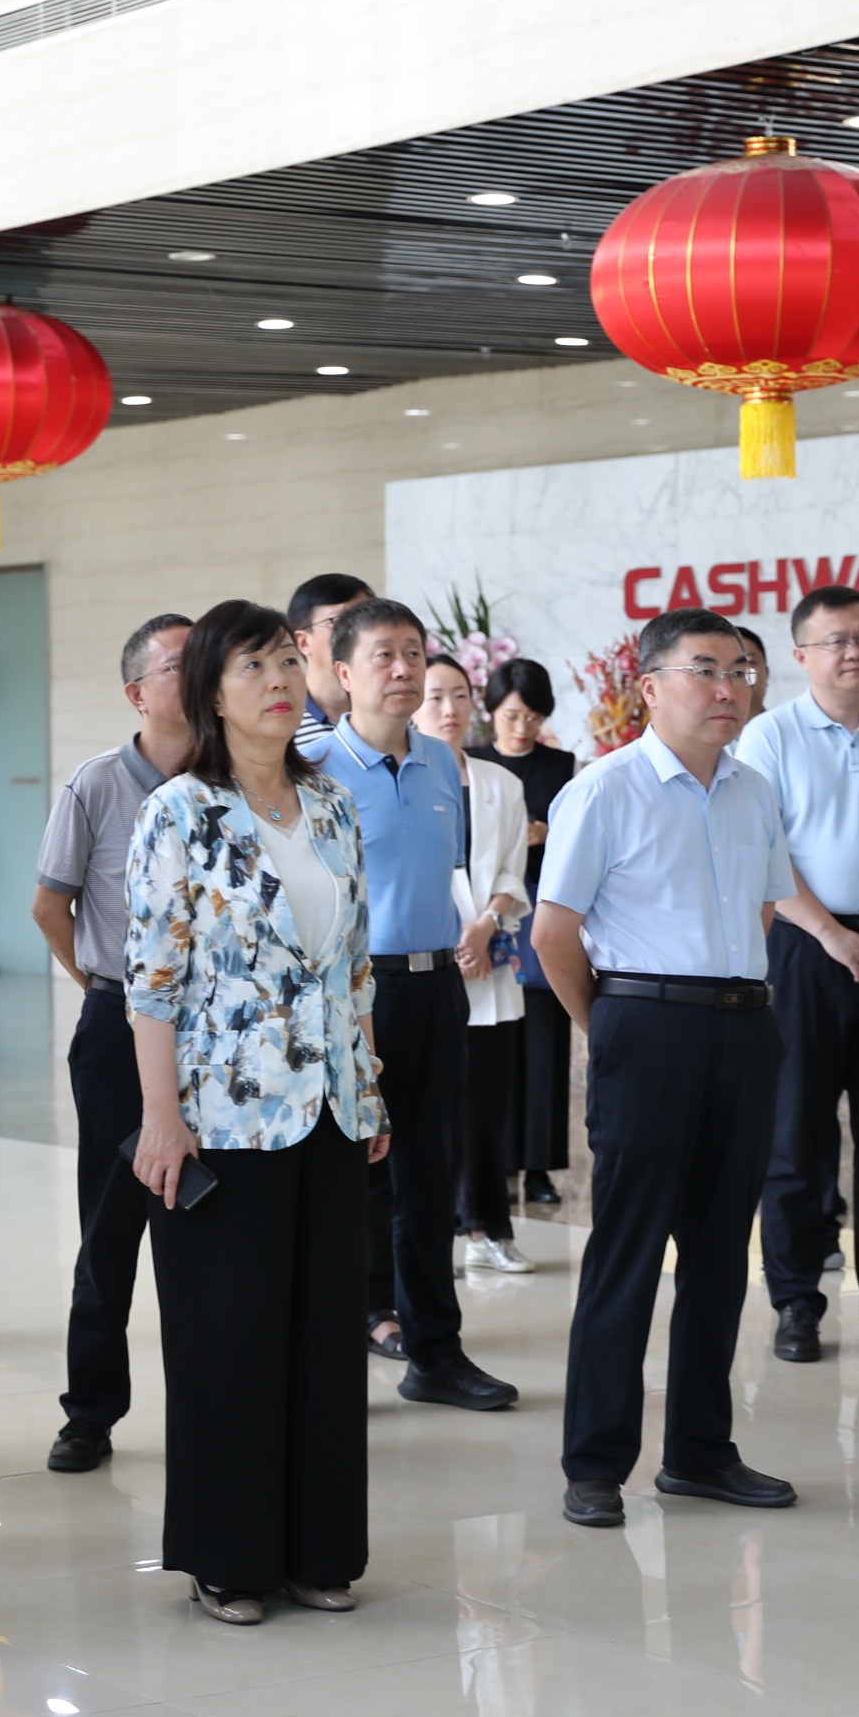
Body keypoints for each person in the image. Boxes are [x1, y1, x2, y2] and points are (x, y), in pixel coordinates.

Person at [125, 599, 388, 1625]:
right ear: (209, 690)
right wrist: (160, 1117)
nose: (278, 680)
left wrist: (369, 1082)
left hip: (331, 1108)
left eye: (286, 660)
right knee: (229, 1342)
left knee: (324, 1339)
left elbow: (352, 964)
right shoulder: (179, 811)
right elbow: (153, 982)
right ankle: (227, 1556)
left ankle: (318, 1548)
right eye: (252, 665)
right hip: (224, 1115)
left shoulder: (332, 804)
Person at [529, 606, 801, 1530]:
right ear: (649, 686)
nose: (729, 688)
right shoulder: (604, 791)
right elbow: (554, 934)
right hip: (645, 1026)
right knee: (630, 1249)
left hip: (745, 1025)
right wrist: (610, 1028)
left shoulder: (755, 792)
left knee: (723, 1253)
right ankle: (596, 1462)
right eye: (705, 670)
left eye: (741, 671)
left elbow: (764, 913)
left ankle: (699, 1452)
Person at [317, 599, 518, 1410]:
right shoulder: (313, 768)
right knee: (347, 1179)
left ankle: (435, 1353)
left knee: (429, 1179)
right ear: (342, 672)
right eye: (383, 655)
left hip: (437, 990)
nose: (403, 669)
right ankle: (334, 1352)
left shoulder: (442, 763)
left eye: (413, 652)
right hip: (354, 993)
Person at [733, 584, 859, 1364]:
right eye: (836, 641)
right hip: (802, 948)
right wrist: (827, 933)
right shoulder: (771, 737)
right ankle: (796, 1300)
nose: (855, 652)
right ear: (801, 655)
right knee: (796, 1134)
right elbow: (764, 850)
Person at [30, 612, 194, 1474]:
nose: (198, 675)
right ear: (138, 692)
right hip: (119, 1027)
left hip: (218, 1035)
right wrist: (102, 988)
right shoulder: (96, 784)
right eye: (178, 665)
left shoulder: (234, 777)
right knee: (112, 1222)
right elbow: (49, 905)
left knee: (208, 1225)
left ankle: (211, 1407)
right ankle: (89, 1414)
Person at [416, 654, 534, 1274]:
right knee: (425, 1115)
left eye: (459, 695)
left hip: (489, 965)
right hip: (422, 965)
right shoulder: (399, 778)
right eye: (435, 696)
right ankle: (427, 1240)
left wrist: (486, 925)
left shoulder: (501, 784)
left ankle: (488, 1228)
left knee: (485, 1109)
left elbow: (513, 872)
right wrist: (450, 937)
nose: (449, 709)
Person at [471, 658, 576, 1211]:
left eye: (533, 717)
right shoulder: (473, 764)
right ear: (492, 712)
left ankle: (539, 1167)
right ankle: (498, 1162)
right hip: (492, 914)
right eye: (512, 715)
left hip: (544, 919)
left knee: (545, 1048)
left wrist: (547, 834)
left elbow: (579, 839)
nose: (522, 727)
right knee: (496, 1048)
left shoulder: (560, 764)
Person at [286, 572, 374, 760]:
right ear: (303, 642)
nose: (358, 632)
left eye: (366, 620)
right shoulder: (282, 722)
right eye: (339, 621)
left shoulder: (392, 712)